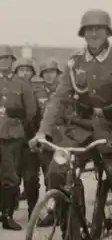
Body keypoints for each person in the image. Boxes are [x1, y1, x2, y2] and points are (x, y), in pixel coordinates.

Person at [29, 9, 112, 240]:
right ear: (83, 33)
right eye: (89, 29)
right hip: (82, 127)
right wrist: (43, 132)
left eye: (99, 29)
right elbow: (59, 99)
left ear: (107, 32)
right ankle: (71, 231)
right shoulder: (75, 62)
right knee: (57, 172)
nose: (94, 33)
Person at [0, 47, 38, 230]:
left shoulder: (22, 83)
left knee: (10, 178)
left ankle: (6, 216)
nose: (4, 62)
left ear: (12, 61)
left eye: (7, 59)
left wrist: (17, 115)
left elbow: (31, 111)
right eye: (1, 58)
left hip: (12, 136)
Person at [33, 59, 63, 227]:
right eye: (46, 73)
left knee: (67, 177)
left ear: (58, 74)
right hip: (46, 141)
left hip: (63, 140)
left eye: (52, 72)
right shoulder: (38, 93)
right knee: (49, 177)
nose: (49, 76)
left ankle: (70, 212)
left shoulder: (65, 91)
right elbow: (33, 115)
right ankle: (53, 213)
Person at [12, 57, 40, 219]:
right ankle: (8, 209)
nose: (25, 73)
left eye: (28, 70)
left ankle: (32, 212)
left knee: (31, 179)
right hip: (12, 140)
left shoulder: (37, 91)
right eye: (21, 70)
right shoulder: (8, 89)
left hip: (31, 140)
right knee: (11, 177)